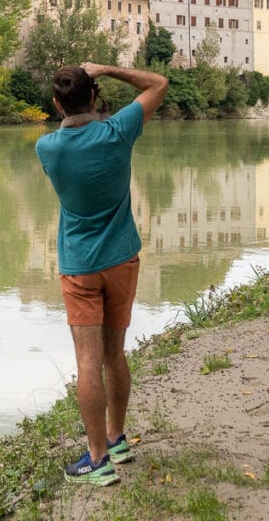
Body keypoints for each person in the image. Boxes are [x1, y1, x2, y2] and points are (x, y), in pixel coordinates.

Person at [35, 62, 168, 486]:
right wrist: (106, 69)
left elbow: (71, 132)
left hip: (80, 267)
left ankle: (97, 460)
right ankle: (116, 439)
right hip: (122, 260)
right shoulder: (118, 131)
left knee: (88, 362)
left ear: (57, 104)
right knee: (115, 354)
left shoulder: (48, 149)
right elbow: (159, 84)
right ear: (94, 96)